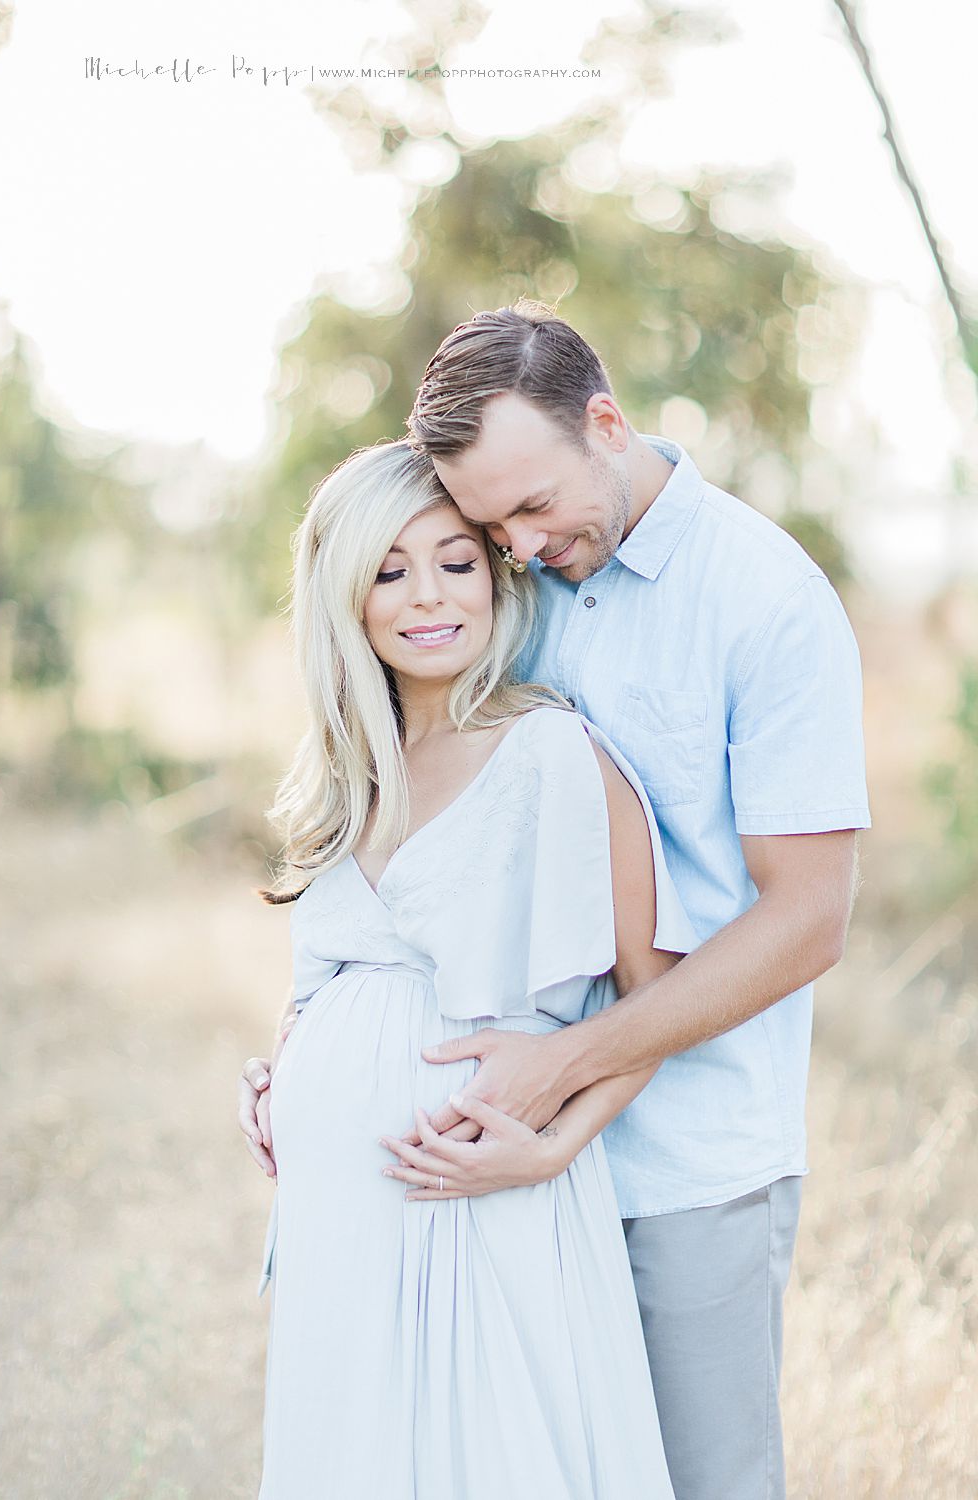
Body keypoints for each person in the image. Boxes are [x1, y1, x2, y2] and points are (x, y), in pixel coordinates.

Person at [241, 302, 868, 1500]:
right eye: (489, 527)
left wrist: (563, 1073)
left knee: (695, 1481)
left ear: (606, 421)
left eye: (530, 508)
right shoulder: (505, 596)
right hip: (481, 1191)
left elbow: (806, 920)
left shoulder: (762, 601)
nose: (517, 548)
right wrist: (309, 1060)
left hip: (682, 1156)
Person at [251, 439, 692, 1497]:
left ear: (494, 574)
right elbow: (330, 984)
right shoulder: (347, 778)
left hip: (486, 1199)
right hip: (342, 1223)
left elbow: (655, 999)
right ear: (344, 600)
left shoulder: (550, 753)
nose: (425, 597)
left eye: (452, 560)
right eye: (387, 571)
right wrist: (281, 1075)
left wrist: (550, 1151)